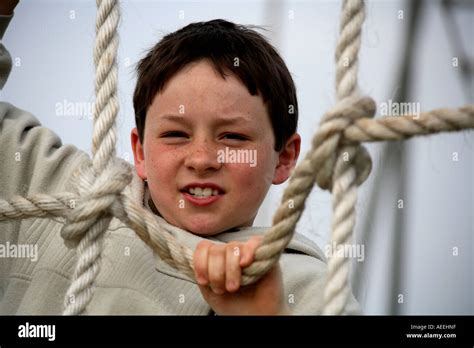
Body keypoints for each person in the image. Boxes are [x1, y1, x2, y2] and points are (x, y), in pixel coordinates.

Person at [0, 1, 360, 315]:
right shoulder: (63, 196)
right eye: (175, 135)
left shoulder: (310, 289)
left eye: (233, 137)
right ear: (140, 152)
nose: (202, 159)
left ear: (284, 157)